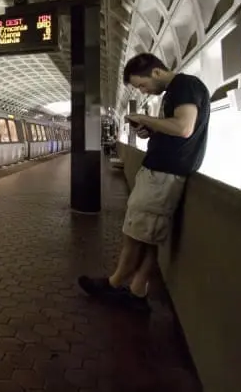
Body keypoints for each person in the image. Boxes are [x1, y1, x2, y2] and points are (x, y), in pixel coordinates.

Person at [78, 53, 210, 313]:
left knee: (135, 233)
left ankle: (113, 284)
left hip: (161, 176)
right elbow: (177, 130)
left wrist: (145, 118)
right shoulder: (178, 90)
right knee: (148, 237)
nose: (143, 90)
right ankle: (137, 292)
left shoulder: (184, 85)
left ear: (157, 72)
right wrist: (151, 130)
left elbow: (184, 127)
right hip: (165, 174)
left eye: (142, 84)